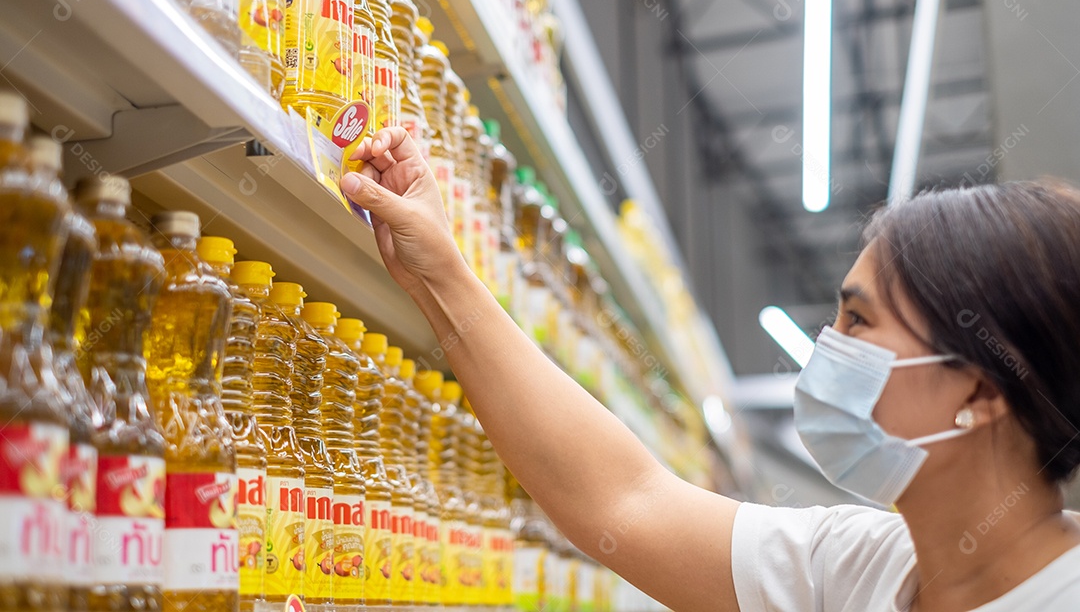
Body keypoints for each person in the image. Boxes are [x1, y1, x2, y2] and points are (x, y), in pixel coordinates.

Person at [339, 126, 1080, 612]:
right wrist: (441, 276)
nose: (827, 347)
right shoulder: (862, 569)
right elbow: (623, 501)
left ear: (980, 389)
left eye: (858, 321)